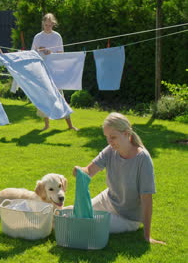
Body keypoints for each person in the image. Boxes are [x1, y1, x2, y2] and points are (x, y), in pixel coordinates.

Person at [73, 112, 165, 244]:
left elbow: (147, 198)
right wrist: (80, 171)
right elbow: (89, 171)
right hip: (108, 199)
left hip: (127, 217)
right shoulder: (110, 150)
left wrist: (147, 235)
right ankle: (50, 222)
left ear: (127, 134)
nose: (109, 142)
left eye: (113, 137)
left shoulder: (143, 159)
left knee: (88, 225)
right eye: (107, 137)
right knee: (74, 213)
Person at [31, 13, 78, 131]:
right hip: (42, 70)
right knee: (44, 97)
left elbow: (61, 54)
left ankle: (70, 125)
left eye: (50, 25)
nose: (47, 27)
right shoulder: (38, 37)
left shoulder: (57, 36)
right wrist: (39, 50)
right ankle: (46, 125)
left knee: (60, 96)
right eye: (46, 25)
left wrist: (50, 53)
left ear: (53, 24)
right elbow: (32, 53)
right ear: (43, 24)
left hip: (55, 70)